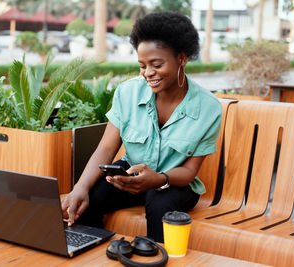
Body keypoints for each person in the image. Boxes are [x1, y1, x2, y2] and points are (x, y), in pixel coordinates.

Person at [61, 11, 222, 243]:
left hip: (173, 181)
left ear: (182, 58)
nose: (148, 73)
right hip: (131, 172)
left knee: (160, 203)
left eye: (157, 64)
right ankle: (88, 253)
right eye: (142, 65)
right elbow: (106, 149)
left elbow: (188, 172)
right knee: (92, 197)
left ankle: (156, 258)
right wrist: (79, 188)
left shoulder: (208, 108)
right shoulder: (127, 93)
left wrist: (157, 179)